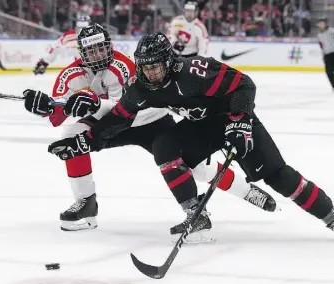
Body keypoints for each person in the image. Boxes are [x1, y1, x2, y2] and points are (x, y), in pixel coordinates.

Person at [47, 32, 334, 239]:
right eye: (145, 67)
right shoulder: (142, 87)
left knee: (276, 176)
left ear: (169, 61)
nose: (151, 73)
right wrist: (87, 142)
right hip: (205, 126)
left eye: (155, 66)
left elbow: (244, 85)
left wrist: (241, 122)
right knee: (165, 144)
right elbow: (119, 119)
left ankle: (329, 214)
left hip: (232, 119)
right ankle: (196, 215)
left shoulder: (195, 72)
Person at [317, 17, 334, 91]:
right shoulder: (319, 35)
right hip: (327, 55)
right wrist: (323, 55)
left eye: (322, 23)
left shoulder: (331, 31)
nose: (321, 25)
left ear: (325, 24)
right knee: (328, 71)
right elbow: (321, 46)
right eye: (320, 24)